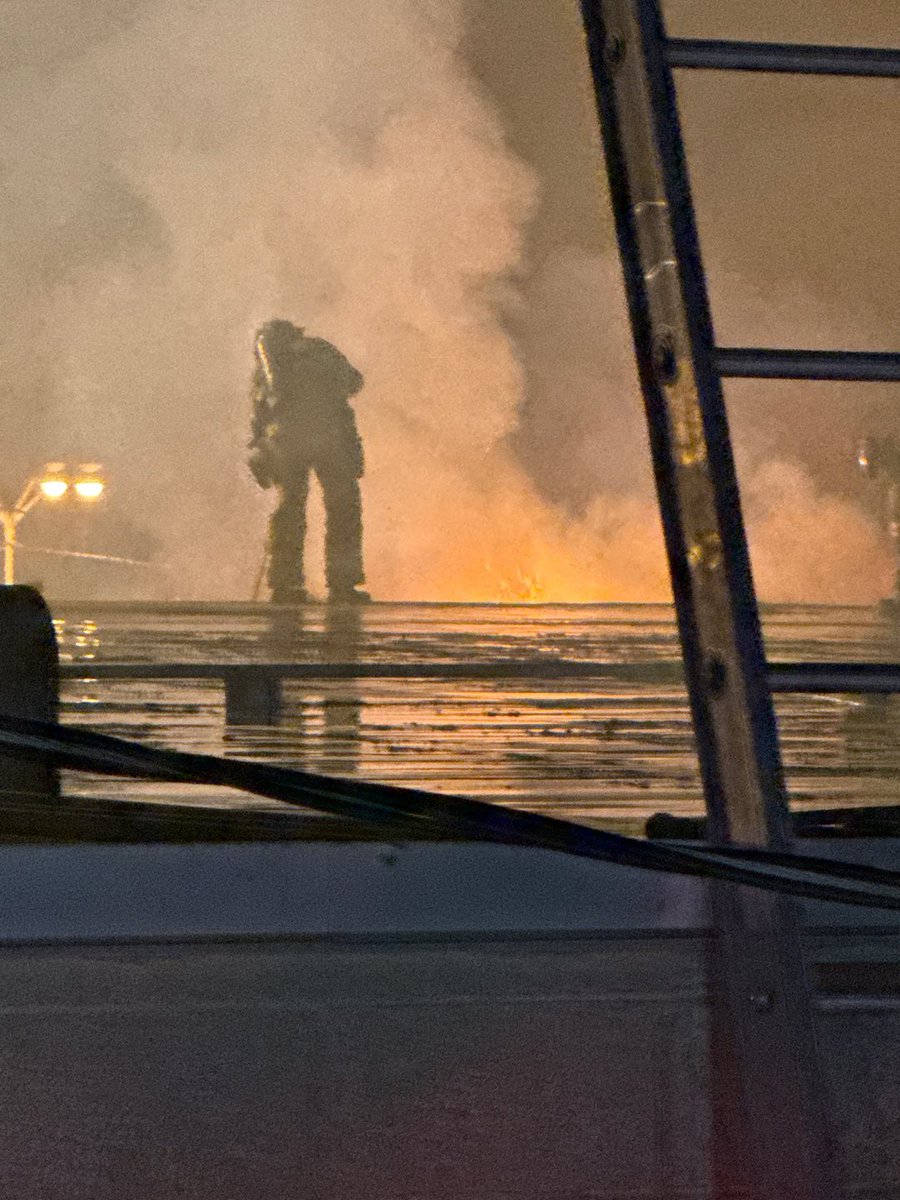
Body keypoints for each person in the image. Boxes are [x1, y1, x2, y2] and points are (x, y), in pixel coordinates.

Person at [248, 319, 368, 603]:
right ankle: (343, 582)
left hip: (288, 443)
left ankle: (285, 582)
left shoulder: (267, 369)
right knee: (343, 508)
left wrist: (261, 451)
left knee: (290, 508)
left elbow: (262, 414)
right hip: (331, 438)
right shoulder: (321, 351)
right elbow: (354, 382)